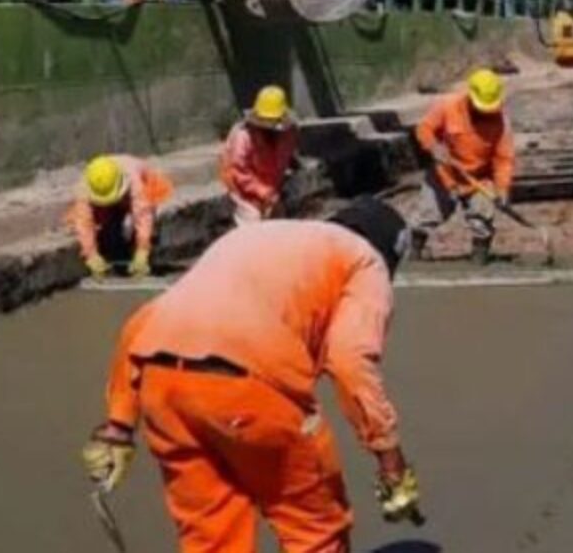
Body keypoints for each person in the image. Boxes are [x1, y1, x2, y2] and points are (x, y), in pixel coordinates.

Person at [80, 198, 422, 553]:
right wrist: (390, 460)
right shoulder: (365, 260)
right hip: (247, 385)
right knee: (314, 527)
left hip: (162, 385)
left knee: (211, 535)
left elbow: (146, 320)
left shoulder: (253, 237)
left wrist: (119, 425)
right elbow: (350, 360)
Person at [412, 68, 515, 264]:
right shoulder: (447, 105)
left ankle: (479, 259)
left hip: (478, 179)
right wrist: (433, 146)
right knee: (427, 215)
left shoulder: (501, 122)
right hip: (445, 173)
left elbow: (504, 159)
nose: (484, 113)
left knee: (482, 217)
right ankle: (412, 255)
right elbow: (424, 128)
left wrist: (502, 189)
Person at [66, 155, 173, 279]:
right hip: (120, 197)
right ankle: (115, 249)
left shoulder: (135, 181)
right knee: (104, 223)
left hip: (148, 186)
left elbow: (143, 215)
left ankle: (144, 255)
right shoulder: (85, 187)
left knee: (145, 225)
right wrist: (91, 255)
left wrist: (142, 251)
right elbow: (84, 222)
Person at [219, 85, 299, 226]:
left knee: (279, 222)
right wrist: (263, 192)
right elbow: (238, 171)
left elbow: (286, 154)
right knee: (253, 221)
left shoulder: (289, 132)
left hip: (271, 184)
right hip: (242, 187)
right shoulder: (243, 136)